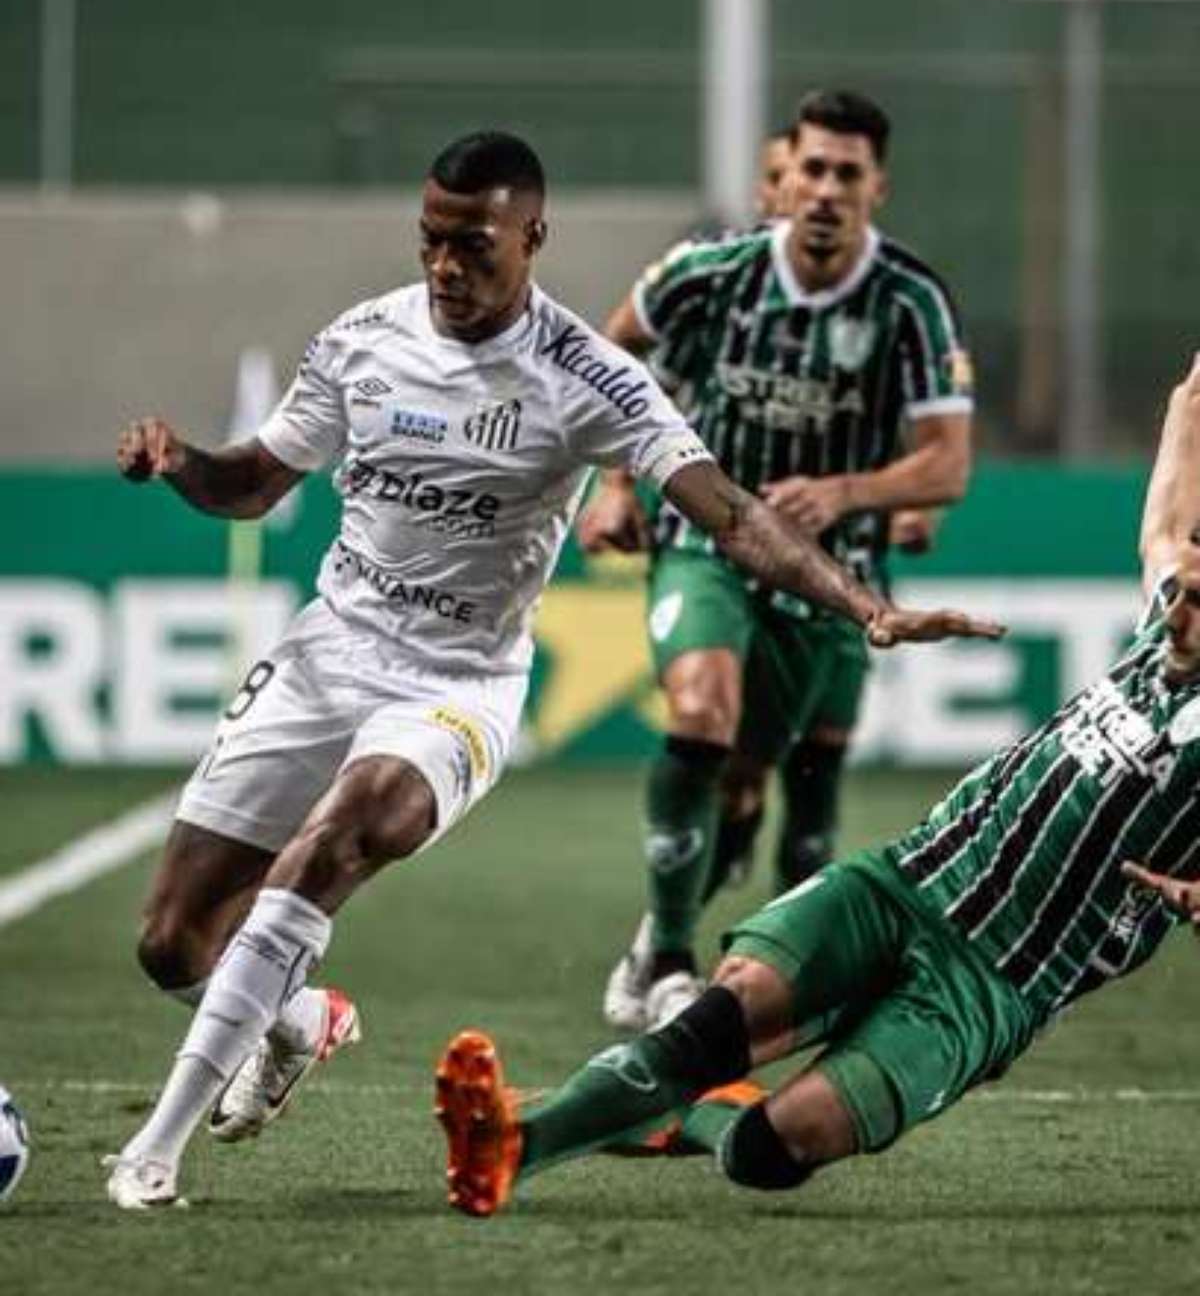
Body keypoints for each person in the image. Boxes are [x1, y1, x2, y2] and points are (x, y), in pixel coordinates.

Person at [102, 130, 999, 1211]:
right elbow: (252, 483)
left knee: (339, 838)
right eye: (431, 241)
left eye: (473, 245)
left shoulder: (588, 376)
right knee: (170, 945)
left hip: (456, 684)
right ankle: (298, 1018)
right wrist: (180, 461)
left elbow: (730, 511)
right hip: (325, 654)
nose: (446, 267)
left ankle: (152, 1151)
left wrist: (862, 603)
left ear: (533, 236)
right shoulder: (360, 341)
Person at [435, 352, 1200, 1219]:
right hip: (909, 879)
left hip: (991, 984)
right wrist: (1189, 394)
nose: (1181, 601)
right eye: (1186, 585)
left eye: (1198, 599)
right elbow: (1169, 521)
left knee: (770, 1150)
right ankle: (509, 1145)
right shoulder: (1161, 634)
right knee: (708, 1029)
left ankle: (697, 1120)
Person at [579, 90, 974, 1033]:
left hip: (829, 581)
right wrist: (616, 486)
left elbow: (947, 462)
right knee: (700, 711)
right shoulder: (708, 272)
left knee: (766, 789)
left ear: (877, 188)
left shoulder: (912, 303)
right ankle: (673, 961)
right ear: (784, 175)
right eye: (813, 169)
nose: (827, 189)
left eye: (848, 174)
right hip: (707, 543)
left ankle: (708, 955)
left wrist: (850, 494)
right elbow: (601, 358)